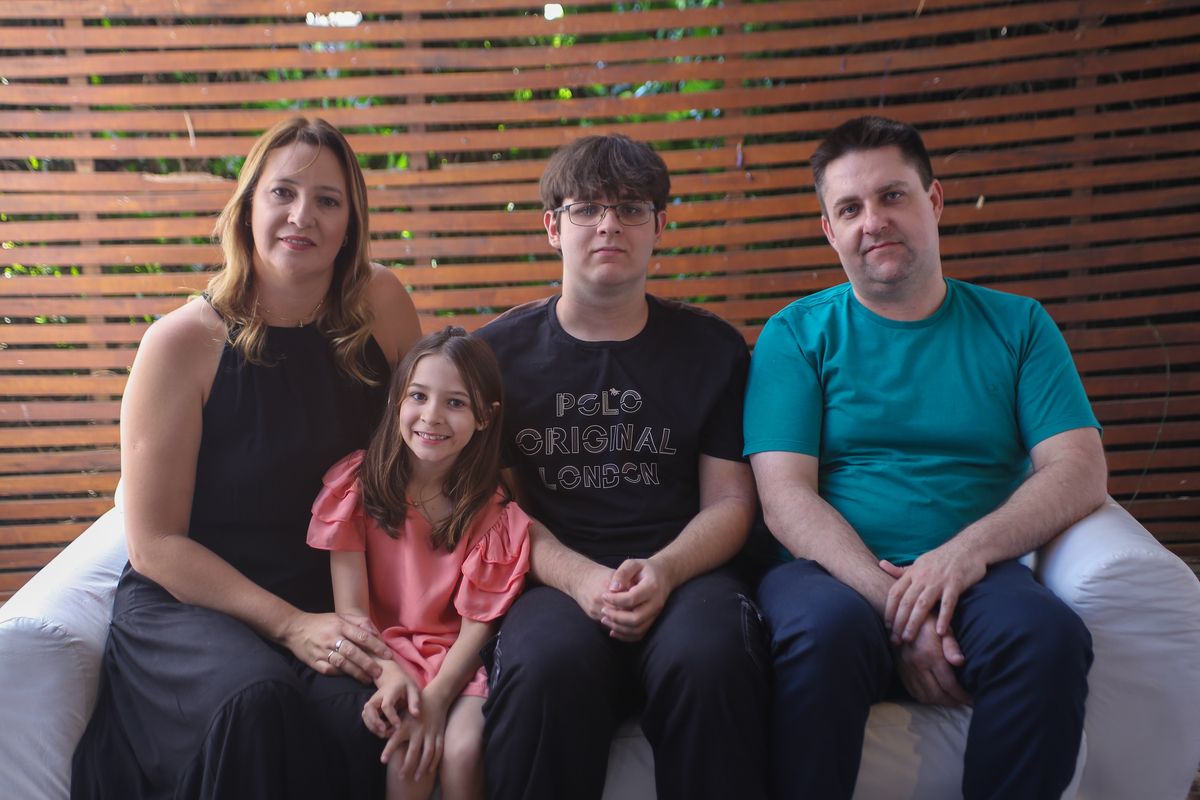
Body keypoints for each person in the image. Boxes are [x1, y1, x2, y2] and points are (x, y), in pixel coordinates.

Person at [743, 115, 1109, 800]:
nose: (873, 221)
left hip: (975, 573)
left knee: (1048, 637)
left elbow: (1080, 468)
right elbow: (785, 498)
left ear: (934, 200)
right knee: (823, 635)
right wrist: (900, 608)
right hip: (828, 575)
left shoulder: (1019, 325)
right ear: (829, 231)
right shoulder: (795, 334)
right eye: (849, 208)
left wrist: (961, 557)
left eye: (892, 195)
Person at [71, 116, 423, 800]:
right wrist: (290, 626)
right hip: (194, 608)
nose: (302, 215)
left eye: (327, 200)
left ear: (350, 225)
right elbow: (154, 544)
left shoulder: (381, 304)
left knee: (368, 723)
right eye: (282, 192)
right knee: (256, 702)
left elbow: (428, 454)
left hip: (328, 603)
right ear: (248, 208)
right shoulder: (180, 344)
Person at [475, 133, 768, 800]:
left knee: (712, 661)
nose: (609, 224)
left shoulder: (713, 349)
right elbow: (494, 513)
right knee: (544, 667)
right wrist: (583, 580)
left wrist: (664, 571)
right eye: (586, 209)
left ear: (659, 226)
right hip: (554, 580)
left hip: (689, 574)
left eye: (631, 208)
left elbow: (731, 503)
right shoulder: (493, 357)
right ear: (553, 227)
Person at [307, 327, 531, 800]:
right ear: (395, 401)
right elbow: (353, 612)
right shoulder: (356, 486)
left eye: (456, 402)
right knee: (408, 756)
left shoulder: (492, 510)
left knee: (462, 752)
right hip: (387, 655)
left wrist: (436, 698)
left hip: (459, 664)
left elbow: (477, 629)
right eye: (418, 396)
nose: (432, 416)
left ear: (485, 417)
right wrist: (389, 675)